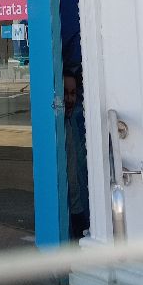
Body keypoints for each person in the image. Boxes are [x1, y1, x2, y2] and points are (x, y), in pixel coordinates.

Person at [63, 70, 89, 239]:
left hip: (78, 205)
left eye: (72, 93)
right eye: (65, 93)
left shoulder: (73, 123)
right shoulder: (60, 129)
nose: (69, 99)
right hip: (71, 208)